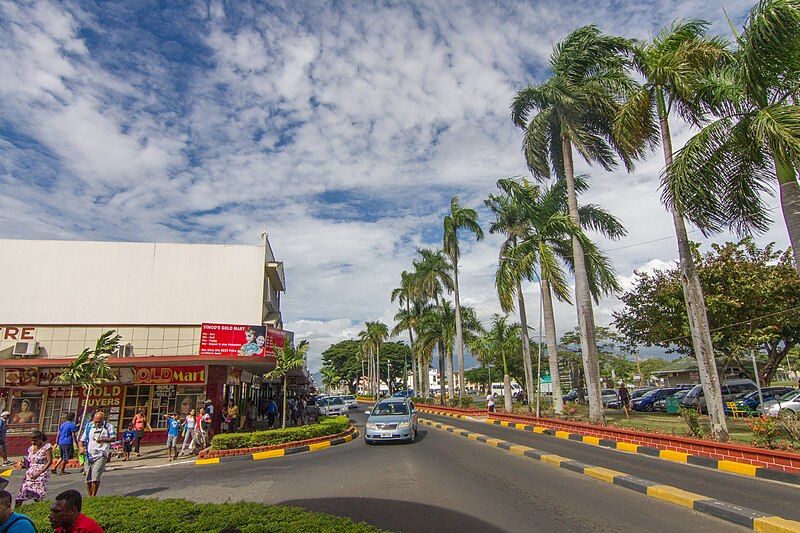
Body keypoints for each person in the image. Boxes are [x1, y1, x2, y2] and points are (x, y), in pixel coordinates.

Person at [78, 412, 115, 497]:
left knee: (95, 476)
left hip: (101, 454)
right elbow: (81, 440)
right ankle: (90, 495)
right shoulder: (89, 426)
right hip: (89, 454)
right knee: (88, 477)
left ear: (103, 420)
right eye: (96, 421)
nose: (97, 423)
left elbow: (113, 438)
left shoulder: (108, 426)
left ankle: (94, 496)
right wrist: (81, 448)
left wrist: (103, 439)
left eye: (99, 421)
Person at [14, 431, 52, 507]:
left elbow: (49, 461)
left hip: (41, 473)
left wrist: (38, 474)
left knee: (38, 494)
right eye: (31, 440)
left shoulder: (47, 447)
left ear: (41, 439)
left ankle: (38, 510)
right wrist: (24, 463)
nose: (33, 442)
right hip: (30, 473)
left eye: (35, 440)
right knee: (22, 493)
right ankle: (16, 511)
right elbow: (30, 461)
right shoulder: (31, 449)